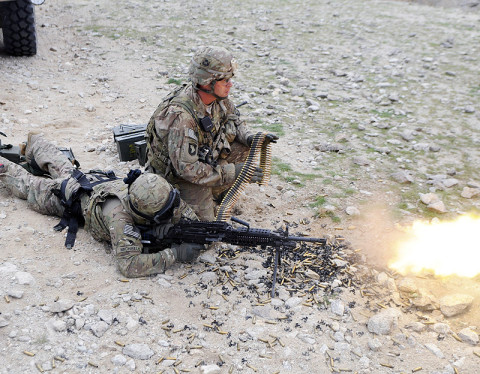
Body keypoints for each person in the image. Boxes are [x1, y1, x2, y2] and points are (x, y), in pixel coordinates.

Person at [0, 133, 201, 278]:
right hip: (72, 196)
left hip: (92, 180)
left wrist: (198, 233)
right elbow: (129, 265)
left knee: (63, 166)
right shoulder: (120, 218)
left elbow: (189, 217)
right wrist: (174, 254)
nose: (174, 208)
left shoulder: (161, 194)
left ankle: (35, 141)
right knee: (28, 186)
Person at [145, 46, 279, 220]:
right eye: (225, 81)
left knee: (245, 148)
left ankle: (216, 194)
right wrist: (232, 172)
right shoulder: (182, 117)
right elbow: (187, 169)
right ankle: (200, 199)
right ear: (208, 82)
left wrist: (249, 137)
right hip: (178, 178)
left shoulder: (216, 99)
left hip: (202, 162)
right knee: (205, 227)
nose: (230, 85)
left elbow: (233, 120)